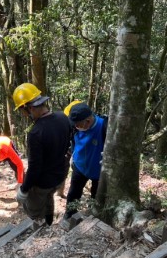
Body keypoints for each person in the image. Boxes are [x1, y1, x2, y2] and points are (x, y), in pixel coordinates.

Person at [13, 83, 71, 228]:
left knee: (34, 210)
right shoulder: (63, 117)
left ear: (30, 107)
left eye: (23, 111)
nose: (24, 115)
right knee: (49, 197)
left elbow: (34, 168)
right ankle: (50, 224)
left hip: (42, 182)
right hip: (60, 175)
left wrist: (24, 189)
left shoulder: (36, 133)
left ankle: (41, 233)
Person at [61, 102, 107, 227]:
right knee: (73, 193)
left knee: (96, 196)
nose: (75, 127)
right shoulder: (74, 127)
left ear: (87, 121)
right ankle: (69, 215)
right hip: (80, 166)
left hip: (98, 170)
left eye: (78, 124)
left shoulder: (104, 126)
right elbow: (70, 141)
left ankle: (92, 219)